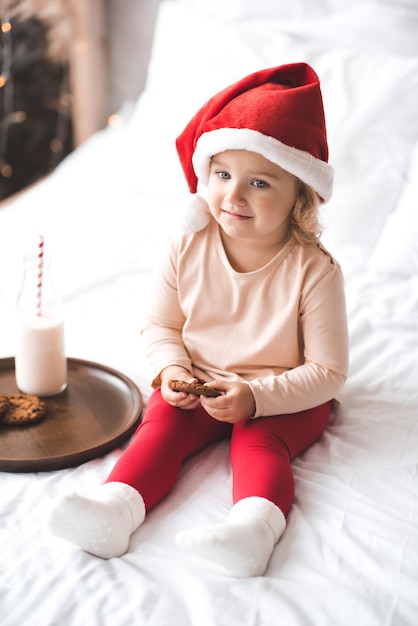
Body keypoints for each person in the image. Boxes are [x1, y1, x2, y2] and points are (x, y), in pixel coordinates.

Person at [48, 63, 349, 577]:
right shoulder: (187, 246)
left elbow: (328, 372)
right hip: (201, 382)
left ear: (299, 194)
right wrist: (171, 373)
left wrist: (257, 398)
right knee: (159, 424)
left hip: (284, 393)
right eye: (222, 175)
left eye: (259, 182)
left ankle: (252, 530)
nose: (233, 196)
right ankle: (115, 509)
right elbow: (161, 327)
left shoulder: (314, 271)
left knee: (258, 444)